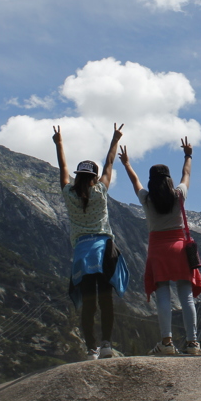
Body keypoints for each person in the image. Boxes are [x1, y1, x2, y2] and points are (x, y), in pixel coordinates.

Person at [119, 137, 201, 356]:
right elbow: (186, 175)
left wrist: (127, 164)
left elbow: (134, 181)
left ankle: (166, 343)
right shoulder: (178, 195)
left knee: (163, 295)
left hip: (157, 250)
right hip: (179, 247)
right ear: (168, 180)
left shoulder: (147, 199)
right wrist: (188, 155)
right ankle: (193, 343)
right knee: (186, 296)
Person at [53, 123, 125, 360]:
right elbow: (110, 164)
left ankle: (91, 349)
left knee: (88, 302)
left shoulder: (69, 194)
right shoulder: (101, 192)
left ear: (78, 176)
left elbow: (62, 167)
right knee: (106, 299)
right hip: (104, 251)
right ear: (94, 177)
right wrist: (115, 139)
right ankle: (106, 345)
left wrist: (59, 143)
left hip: (83, 254)